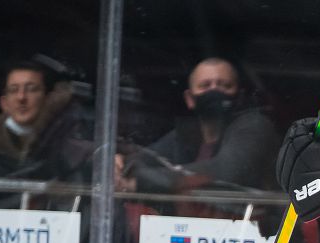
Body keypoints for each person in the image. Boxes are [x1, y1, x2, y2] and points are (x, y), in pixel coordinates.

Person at [115, 58, 279, 209]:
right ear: (190, 99)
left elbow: (225, 171)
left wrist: (141, 181)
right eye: (205, 86)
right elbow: (150, 157)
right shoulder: (187, 134)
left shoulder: (255, 127)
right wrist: (122, 164)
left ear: (240, 95)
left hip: (254, 233)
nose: (214, 91)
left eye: (224, 85)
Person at [0, 59, 93, 202]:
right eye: (13, 90)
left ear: (46, 98)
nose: (21, 98)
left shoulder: (69, 144)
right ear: (4, 103)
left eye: (31, 89)